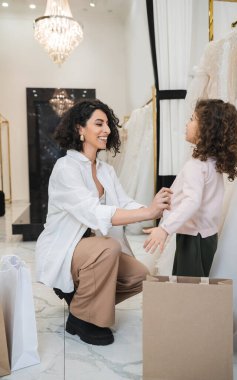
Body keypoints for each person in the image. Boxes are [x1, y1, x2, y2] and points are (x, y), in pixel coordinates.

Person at [35, 99, 171, 346]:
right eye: (99, 123)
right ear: (79, 129)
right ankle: (84, 319)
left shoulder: (106, 170)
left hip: (95, 250)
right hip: (67, 247)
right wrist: (147, 212)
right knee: (109, 247)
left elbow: (125, 203)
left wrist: (155, 210)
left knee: (140, 276)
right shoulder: (65, 168)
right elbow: (93, 212)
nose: (107, 130)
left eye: (108, 124)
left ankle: (80, 302)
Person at [143, 99, 237, 277]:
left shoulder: (197, 165)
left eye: (192, 119)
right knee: (199, 282)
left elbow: (192, 202)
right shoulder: (212, 163)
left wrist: (165, 228)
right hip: (207, 236)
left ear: (206, 129)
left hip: (193, 238)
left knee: (187, 286)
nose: (187, 123)